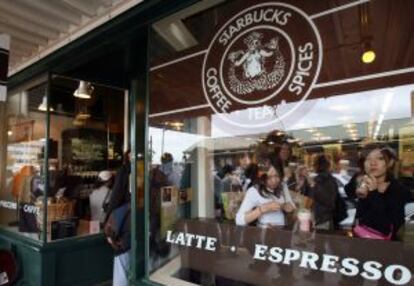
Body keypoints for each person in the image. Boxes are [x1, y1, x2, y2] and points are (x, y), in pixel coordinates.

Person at [354, 144, 408, 240]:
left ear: (390, 163)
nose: (373, 163)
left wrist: (374, 193)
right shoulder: (365, 184)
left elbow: (386, 228)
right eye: (367, 159)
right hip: (361, 245)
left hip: (385, 249)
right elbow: (360, 219)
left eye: (380, 158)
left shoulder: (397, 189)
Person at [106, 150, 131, 286]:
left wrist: (108, 220)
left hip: (125, 224)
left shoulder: (124, 170)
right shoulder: (146, 170)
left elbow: (116, 197)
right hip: (136, 221)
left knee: (122, 261)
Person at [309, 154, 338, 231]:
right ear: (328, 166)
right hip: (325, 217)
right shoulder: (331, 180)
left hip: (318, 217)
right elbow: (331, 201)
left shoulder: (316, 180)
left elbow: (311, 198)